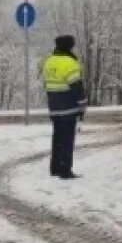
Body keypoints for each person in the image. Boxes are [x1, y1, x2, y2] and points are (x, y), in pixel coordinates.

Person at [42, 34, 87, 179]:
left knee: (57, 138)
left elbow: (46, 83)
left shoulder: (49, 61)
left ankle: (55, 167)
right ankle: (65, 169)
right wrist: (83, 103)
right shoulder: (70, 62)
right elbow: (76, 85)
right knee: (67, 139)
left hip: (54, 106)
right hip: (68, 107)